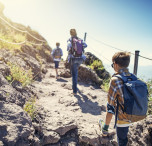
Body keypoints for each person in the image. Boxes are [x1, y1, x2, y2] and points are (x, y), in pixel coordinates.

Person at [100, 52, 132, 146]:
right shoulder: (133, 77)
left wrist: (105, 128)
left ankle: (104, 129)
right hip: (135, 114)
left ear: (115, 64)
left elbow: (110, 106)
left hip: (123, 119)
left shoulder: (115, 80)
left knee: (121, 141)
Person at [67, 29, 87, 95]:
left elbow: (68, 47)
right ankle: (75, 86)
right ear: (76, 33)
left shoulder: (70, 39)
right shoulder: (80, 39)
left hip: (74, 58)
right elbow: (85, 45)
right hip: (80, 59)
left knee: (74, 75)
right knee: (76, 72)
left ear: (70, 33)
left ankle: (74, 91)